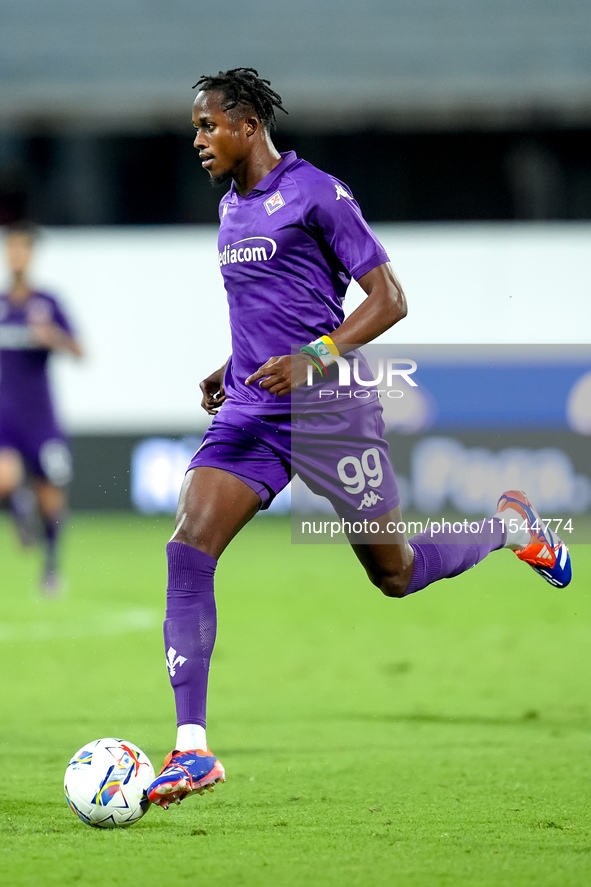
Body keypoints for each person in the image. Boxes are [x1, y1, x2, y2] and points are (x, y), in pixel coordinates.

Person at [147, 68, 572, 809]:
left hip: (330, 408)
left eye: (207, 126)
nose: (198, 140)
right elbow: (272, 308)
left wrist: (309, 360)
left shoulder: (317, 192)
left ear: (247, 125)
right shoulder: (228, 210)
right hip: (253, 408)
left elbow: (389, 299)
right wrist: (233, 365)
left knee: (394, 573)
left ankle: (508, 526)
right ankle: (192, 750)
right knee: (188, 547)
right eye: (194, 128)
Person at [0, 221, 82, 592]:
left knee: (50, 496)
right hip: (5, 415)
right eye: (11, 249)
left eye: (22, 249)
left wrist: (52, 336)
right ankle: (19, 511)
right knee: (4, 480)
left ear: (31, 255)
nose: (16, 256)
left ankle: (51, 567)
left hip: (40, 416)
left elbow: (80, 351)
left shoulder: (46, 303)